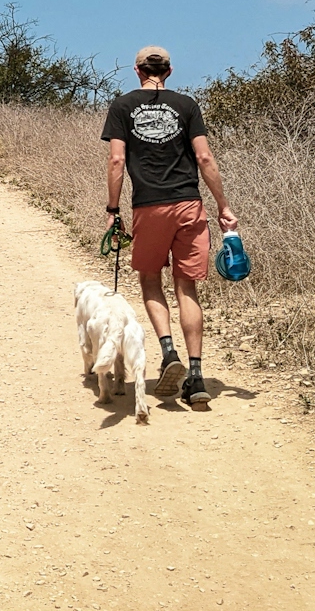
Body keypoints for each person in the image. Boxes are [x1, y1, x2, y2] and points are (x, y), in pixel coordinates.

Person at [101, 46, 238, 407]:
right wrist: (223, 206)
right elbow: (204, 156)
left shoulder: (122, 106)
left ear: (137, 70)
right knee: (186, 286)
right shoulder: (187, 105)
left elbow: (117, 160)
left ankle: (168, 353)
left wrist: (113, 209)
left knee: (149, 279)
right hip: (189, 204)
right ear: (170, 71)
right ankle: (195, 377)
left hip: (150, 205)